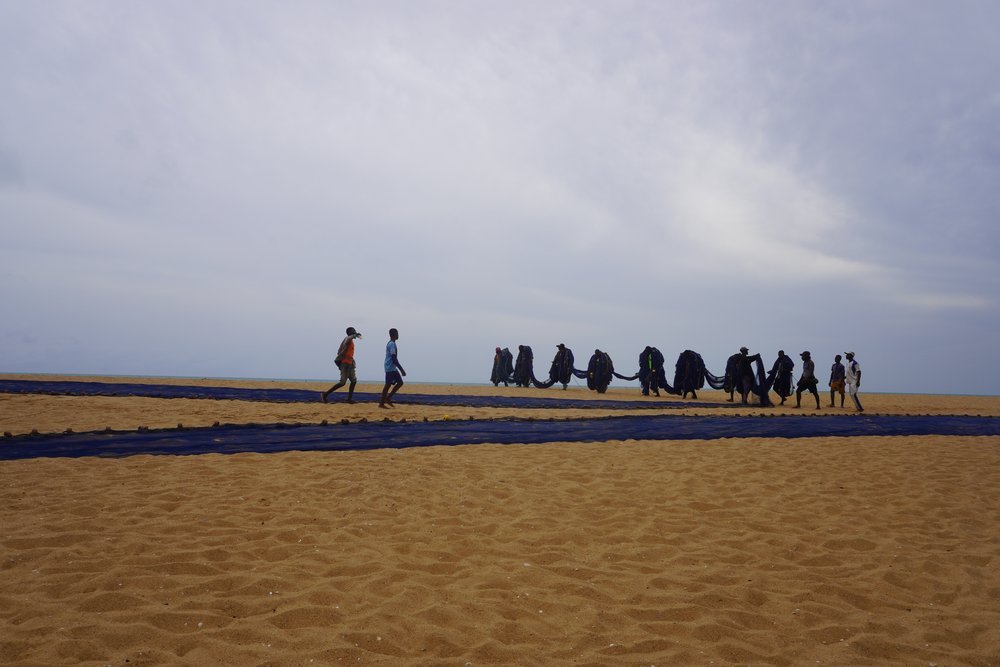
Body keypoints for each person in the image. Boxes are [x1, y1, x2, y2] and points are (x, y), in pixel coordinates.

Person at [322, 326, 361, 403]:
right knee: (342, 382)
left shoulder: (351, 341)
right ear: (350, 333)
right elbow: (349, 338)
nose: (355, 332)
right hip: (345, 364)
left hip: (350, 364)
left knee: (353, 381)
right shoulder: (347, 339)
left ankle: (349, 399)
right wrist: (355, 335)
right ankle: (325, 394)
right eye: (353, 331)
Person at [379, 328, 406, 408]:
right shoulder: (392, 345)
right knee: (387, 385)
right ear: (393, 335)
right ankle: (381, 404)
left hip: (392, 368)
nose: (398, 335)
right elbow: (394, 358)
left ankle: (388, 398)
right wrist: (401, 369)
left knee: (400, 382)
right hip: (390, 367)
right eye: (397, 333)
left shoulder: (392, 343)